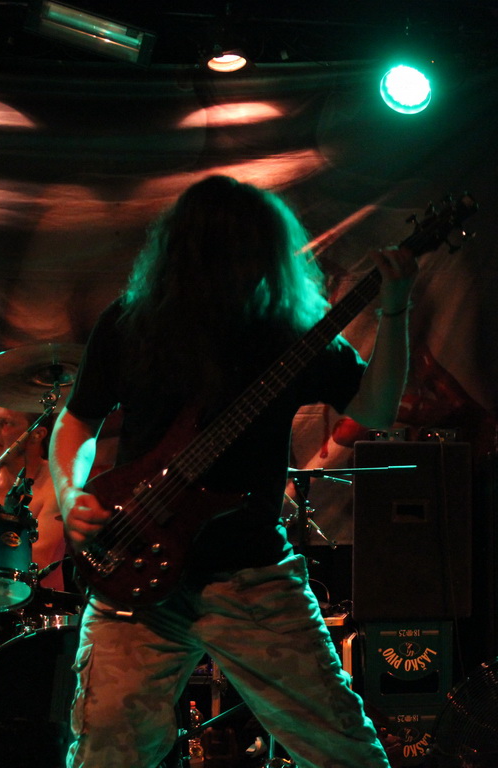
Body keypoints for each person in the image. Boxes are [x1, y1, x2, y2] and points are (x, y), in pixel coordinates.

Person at [49, 175, 417, 767]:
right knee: (107, 752)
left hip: (251, 575)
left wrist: (395, 310)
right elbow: (76, 421)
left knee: (343, 751)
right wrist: (70, 496)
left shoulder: (290, 334)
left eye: (247, 253)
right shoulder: (132, 323)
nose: (234, 268)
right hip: (132, 565)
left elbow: (375, 410)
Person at [0, 405, 67, 592]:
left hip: (33, 602)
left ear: (37, 434)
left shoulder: (56, 484)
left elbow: (36, 561)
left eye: (5, 423)